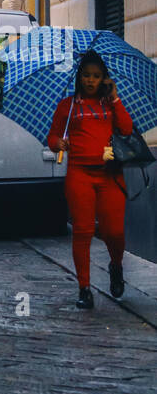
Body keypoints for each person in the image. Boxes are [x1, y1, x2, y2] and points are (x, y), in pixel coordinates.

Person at [47, 50, 134, 309]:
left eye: (96, 76)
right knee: (83, 231)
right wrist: (58, 143)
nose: (91, 80)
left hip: (110, 176)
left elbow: (127, 130)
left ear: (104, 78)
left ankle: (115, 265)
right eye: (86, 75)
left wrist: (116, 98)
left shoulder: (111, 103)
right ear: (79, 77)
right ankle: (84, 288)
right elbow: (52, 137)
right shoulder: (68, 105)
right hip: (79, 174)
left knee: (114, 232)